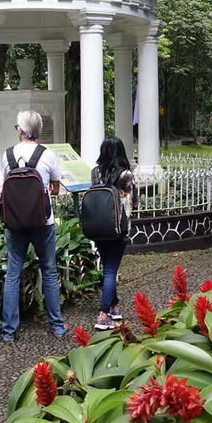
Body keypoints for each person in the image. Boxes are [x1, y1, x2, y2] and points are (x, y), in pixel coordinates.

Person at [0, 110, 68, 343]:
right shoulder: (47, 155)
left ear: (21, 130)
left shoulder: (8, 154)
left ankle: (9, 332)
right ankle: (57, 326)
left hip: (14, 223)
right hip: (43, 222)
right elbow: (55, 188)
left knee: (13, 274)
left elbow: (6, 186)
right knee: (49, 270)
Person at [90, 137, 135, 331]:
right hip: (118, 229)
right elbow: (131, 203)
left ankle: (114, 306)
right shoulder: (125, 175)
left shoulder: (95, 172)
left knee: (107, 266)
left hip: (98, 227)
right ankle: (103, 315)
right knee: (111, 270)